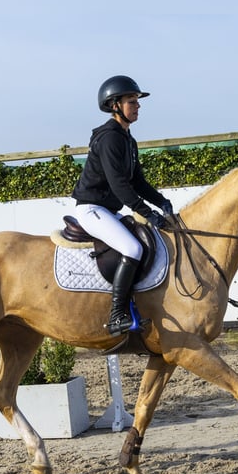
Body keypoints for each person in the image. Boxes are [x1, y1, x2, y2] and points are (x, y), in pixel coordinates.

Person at [72, 75, 174, 337]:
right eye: (132, 101)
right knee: (132, 248)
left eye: (137, 102)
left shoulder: (128, 140)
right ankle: (117, 314)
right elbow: (120, 186)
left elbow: (137, 182)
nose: (137, 106)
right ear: (114, 104)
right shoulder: (109, 138)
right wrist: (147, 213)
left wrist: (161, 201)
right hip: (91, 209)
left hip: (109, 210)